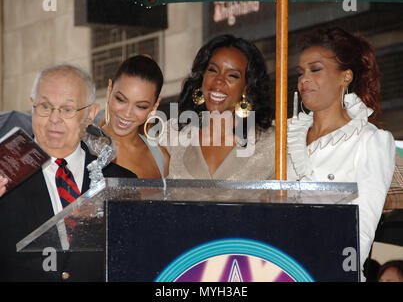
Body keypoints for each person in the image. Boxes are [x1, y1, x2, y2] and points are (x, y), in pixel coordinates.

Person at [0, 64, 136, 281]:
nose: (54, 118)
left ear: (91, 113)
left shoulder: (119, 182)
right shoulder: (5, 174)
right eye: (45, 106)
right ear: (31, 106)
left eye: (67, 109)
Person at [287, 27, 396, 280]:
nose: (304, 79)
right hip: (282, 268)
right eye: (300, 72)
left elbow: (362, 231)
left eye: (315, 69)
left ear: (345, 77)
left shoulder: (371, 140)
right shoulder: (286, 139)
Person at [167, 34, 275, 179]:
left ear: (246, 88)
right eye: (213, 70)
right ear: (202, 77)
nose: (219, 81)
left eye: (232, 75)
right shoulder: (173, 136)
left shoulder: (272, 144)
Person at [101, 55, 169, 178]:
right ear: (109, 89)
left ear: (155, 105)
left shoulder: (161, 158)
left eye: (141, 106)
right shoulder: (82, 147)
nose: (127, 113)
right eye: (121, 99)